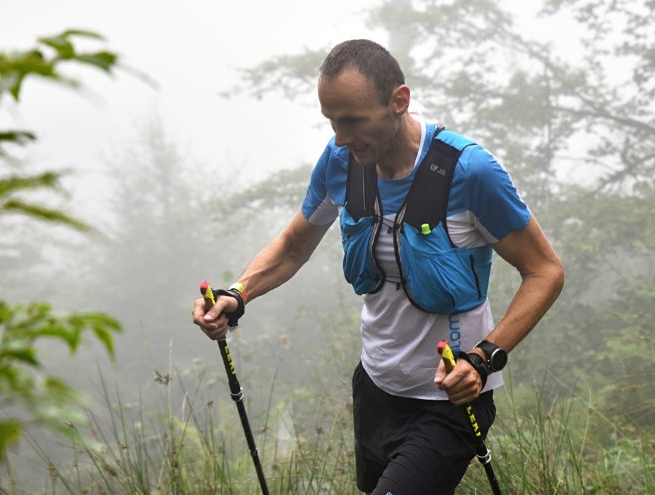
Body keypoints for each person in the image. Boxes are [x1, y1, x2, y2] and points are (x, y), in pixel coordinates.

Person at [193, 39, 564, 494]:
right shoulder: (343, 162)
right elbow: (293, 246)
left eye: (353, 121)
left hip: (448, 400)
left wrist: (485, 358)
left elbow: (545, 271)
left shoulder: (468, 172)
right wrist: (237, 293)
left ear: (398, 101)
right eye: (332, 122)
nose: (342, 138)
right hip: (375, 388)